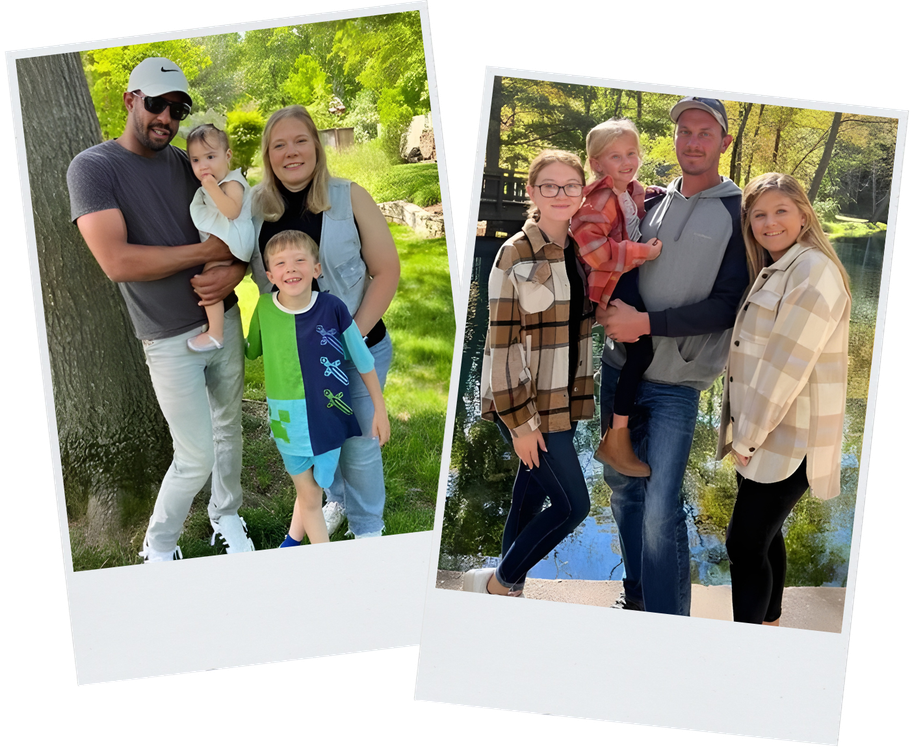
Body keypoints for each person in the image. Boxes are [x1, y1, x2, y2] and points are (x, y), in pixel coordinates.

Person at [66, 57, 253, 561]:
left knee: (229, 428)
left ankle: (226, 516)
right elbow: (117, 261)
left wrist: (233, 271)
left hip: (225, 320)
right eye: (156, 104)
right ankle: (160, 542)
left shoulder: (188, 163)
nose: (166, 118)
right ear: (131, 100)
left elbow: (234, 235)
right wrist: (206, 254)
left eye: (177, 108)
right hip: (168, 339)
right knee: (194, 455)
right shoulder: (93, 168)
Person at [597, 97, 749, 614]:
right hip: (619, 370)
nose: (693, 141)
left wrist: (646, 324)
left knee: (662, 508)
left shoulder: (738, 212)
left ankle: (670, 628)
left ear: (724, 142)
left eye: (705, 132)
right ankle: (637, 596)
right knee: (621, 489)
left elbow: (728, 306)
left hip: (676, 384)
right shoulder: (653, 200)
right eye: (685, 131)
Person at [248, 105, 400, 539]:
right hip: (297, 361)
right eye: (279, 144)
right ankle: (334, 501)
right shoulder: (255, 210)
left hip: (358, 346)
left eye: (300, 140)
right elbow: (235, 262)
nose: (291, 152)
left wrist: (348, 337)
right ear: (268, 155)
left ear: (316, 145)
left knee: (358, 445)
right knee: (317, 438)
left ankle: (369, 528)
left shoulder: (350, 196)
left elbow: (386, 270)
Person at [717, 172, 850, 625]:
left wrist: (747, 437)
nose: (769, 223)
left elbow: (784, 370)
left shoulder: (812, 272)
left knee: (744, 543)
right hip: (768, 430)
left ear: (803, 214)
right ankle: (769, 625)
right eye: (759, 215)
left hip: (787, 435)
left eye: (780, 211)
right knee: (764, 538)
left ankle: (747, 652)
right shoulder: (783, 266)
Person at [464, 149, 594, 596]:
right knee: (573, 505)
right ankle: (503, 582)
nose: (561, 194)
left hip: (564, 398)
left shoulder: (576, 250)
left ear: (583, 190)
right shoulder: (514, 254)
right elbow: (501, 344)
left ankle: (506, 579)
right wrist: (520, 425)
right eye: (550, 186)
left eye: (570, 185)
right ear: (532, 192)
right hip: (523, 404)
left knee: (531, 491)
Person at [246, 230, 390, 547]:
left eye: (300, 260)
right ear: (269, 275)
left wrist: (379, 409)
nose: (291, 268)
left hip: (330, 418)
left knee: (312, 487)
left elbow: (363, 358)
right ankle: (322, 562)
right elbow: (251, 349)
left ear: (316, 268)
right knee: (310, 495)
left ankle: (291, 543)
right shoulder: (264, 309)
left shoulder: (332, 308)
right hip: (287, 422)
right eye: (281, 263)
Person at [571, 118, 662, 476]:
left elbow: (638, 201)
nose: (627, 162)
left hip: (623, 280)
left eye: (632, 154)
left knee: (639, 353)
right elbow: (594, 250)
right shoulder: (600, 197)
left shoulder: (628, 190)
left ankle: (617, 434)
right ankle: (616, 438)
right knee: (641, 352)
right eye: (615, 156)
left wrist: (659, 194)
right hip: (613, 283)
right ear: (596, 164)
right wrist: (643, 253)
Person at [185, 124, 255, 352]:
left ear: (227, 156)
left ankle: (215, 333)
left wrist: (213, 188)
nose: (203, 165)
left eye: (210, 157)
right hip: (225, 240)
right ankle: (215, 332)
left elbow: (232, 210)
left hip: (233, 240)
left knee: (210, 278)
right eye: (195, 160)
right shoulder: (213, 184)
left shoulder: (232, 183)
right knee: (209, 278)